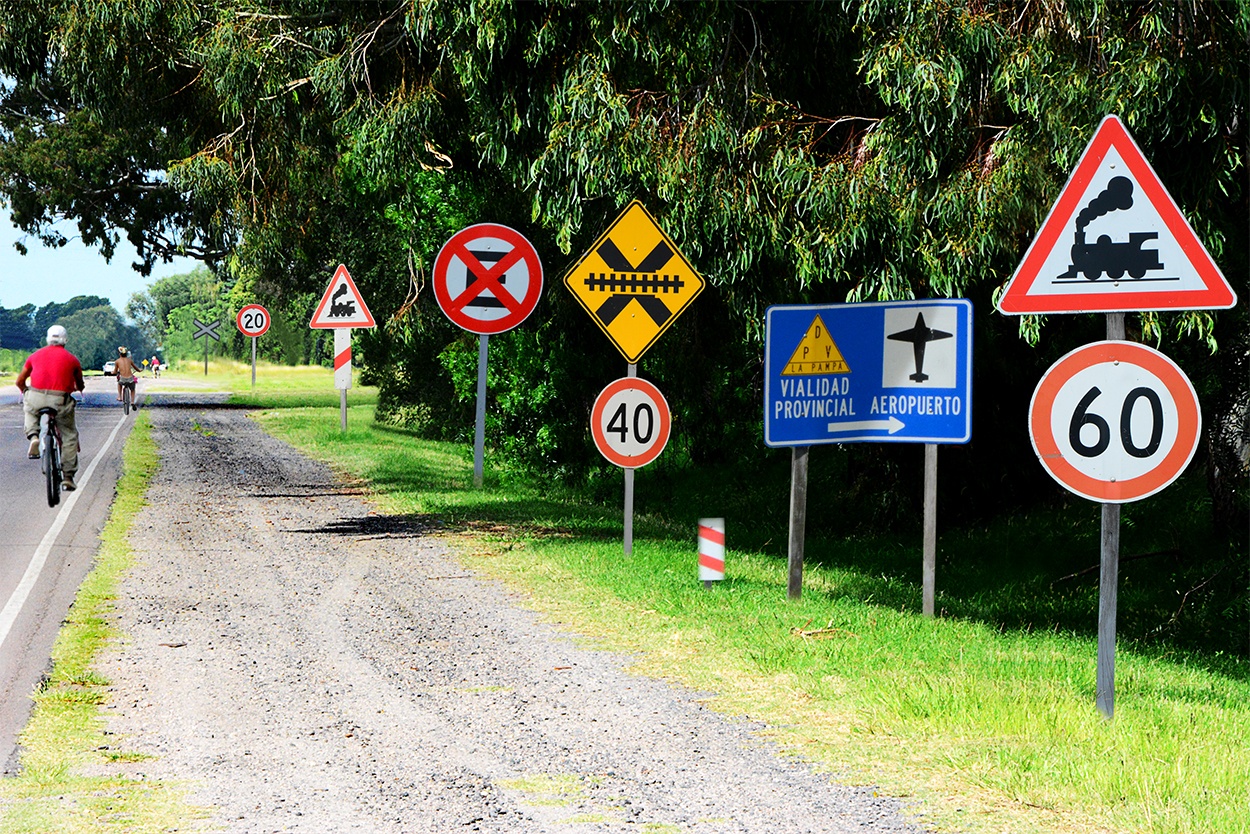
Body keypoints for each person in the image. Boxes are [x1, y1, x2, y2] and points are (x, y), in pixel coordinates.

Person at [15, 325, 85, 491]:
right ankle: (68, 476)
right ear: (65, 339)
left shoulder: (34, 356)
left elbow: (20, 381)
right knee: (69, 435)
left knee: (29, 408)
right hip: (60, 399)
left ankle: (33, 436)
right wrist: (76, 388)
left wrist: (25, 391)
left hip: (36, 396)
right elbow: (80, 384)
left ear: (48, 338)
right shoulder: (72, 359)